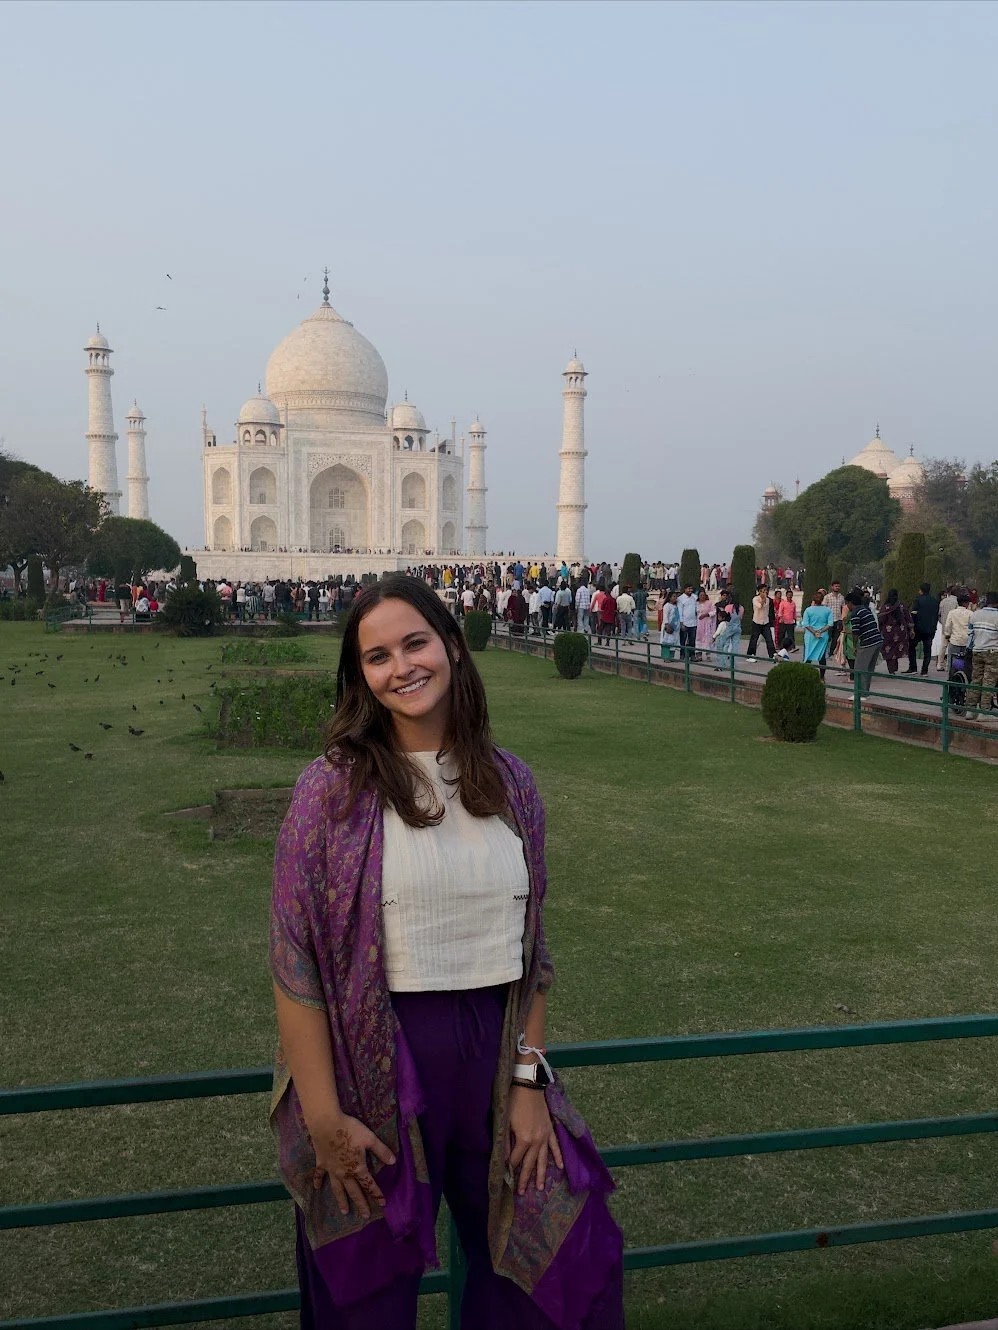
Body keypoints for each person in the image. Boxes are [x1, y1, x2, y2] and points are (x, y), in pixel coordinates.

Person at [269, 577, 623, 1329]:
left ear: (453, 648)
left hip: (496, 1052)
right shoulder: (331, 791)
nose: (401, 667)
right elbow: (295, 963)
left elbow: (532, 953)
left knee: (558, 1270)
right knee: (365, 1294)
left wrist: (530, 1084)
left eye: (415, 643)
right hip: (375, 1061)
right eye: (378, 657)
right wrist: (324, 1118)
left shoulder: (510, 781)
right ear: (360, 676)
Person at [845, 589, 882, 698]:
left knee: (859, 668)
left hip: (868, 642)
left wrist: (854, 647)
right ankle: (865, 693)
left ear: (850, 603)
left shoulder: (855, 613)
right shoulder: (865, 609)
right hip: (877, 640)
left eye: (847, 603)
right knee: (868, 669)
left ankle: (859, 694)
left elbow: (855, 632)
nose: (846, 606)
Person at [966, 590, 998, 712]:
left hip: (977, 651)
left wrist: (970, 648)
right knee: (988, 682)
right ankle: (984, 711)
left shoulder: (975, 614)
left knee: (975, 680)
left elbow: (970, 634)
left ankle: (970, 709)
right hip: (992, 652)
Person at [877, 590, 913, 675]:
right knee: (896, 649)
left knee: (889, 651)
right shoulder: (901, 605)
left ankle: (891, 669)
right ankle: (894, 666)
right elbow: (908, 618)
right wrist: (911, 629)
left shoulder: (885, 607)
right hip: (900, 632)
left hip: (888, 633)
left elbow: (880, 620)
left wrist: (879, 629)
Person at [908, 582, 940, 675]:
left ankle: (913, 667)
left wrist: (912, 628)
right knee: (927, 650)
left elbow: (913, 614)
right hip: (930, 629)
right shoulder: (935, 601)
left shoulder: (918, 600)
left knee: (911, 646)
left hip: (918, 628)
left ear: (921, 590)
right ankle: (924, 670)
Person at [801, 591, 834, 679]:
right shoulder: (828, 610)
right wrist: (820, 631)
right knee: (822, 656)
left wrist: (814, 632)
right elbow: (830, 624)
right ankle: (822, 677)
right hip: (822, 635)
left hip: (810, 636)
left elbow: (806, 624)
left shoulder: (808, 610)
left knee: (808, 655)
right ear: (822, 599)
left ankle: (806, 677)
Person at [711, 593, 742, 669]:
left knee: (721, 646)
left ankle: (721, 665)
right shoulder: (741, 608)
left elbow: (725, 617)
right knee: (735, 647)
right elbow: (740, 618)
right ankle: (733, 665)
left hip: (729, 628)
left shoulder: (728, 607)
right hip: (738, 628)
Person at [746, 585, 775, 661]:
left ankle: (772, 655)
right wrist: (763, 598)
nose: (765, 592)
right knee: (754, 640)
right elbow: (759, 606)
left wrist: (765, 598)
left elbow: (766, 607)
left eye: (766, 590)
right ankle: (750, 655)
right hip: (757, 622)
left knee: (769, 639)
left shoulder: (768, 600)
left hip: (765, 622)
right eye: (763, 590)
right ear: (759, 591)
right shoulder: (755, 599)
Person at [676, 584, 698, 660]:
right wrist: (681, 623)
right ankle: (682, 655)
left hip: (693, 622)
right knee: (683, 640)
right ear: (685, 589)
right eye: (689, 589)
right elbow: (679, 612)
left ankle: (692, 655)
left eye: (691, 589)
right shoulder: (680, 599)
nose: (690, 590)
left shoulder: (694, 597)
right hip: (684, 623)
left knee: (692, 640)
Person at [694, 589, 715, 662]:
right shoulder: (696, 603)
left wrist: (706, 614)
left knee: (707, 638)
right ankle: (699, 655)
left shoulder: (709, 603)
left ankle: (708, 655)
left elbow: (714, 611)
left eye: (703, 595)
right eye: (700, 595)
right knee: (698, 638)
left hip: (707, 623)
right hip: (698, 624)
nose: (702, 597)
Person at [659, 590, 680, 660]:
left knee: (673, 642)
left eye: (676, 597)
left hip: (675, 628)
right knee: (666, 642)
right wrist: (667, 625)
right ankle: (666, 657)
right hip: (668, 627)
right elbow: (665, 616)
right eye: (673, 596)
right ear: (669, 597)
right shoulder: (667, 606)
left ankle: (672, 657)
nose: (675, 598)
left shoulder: (676, 606)